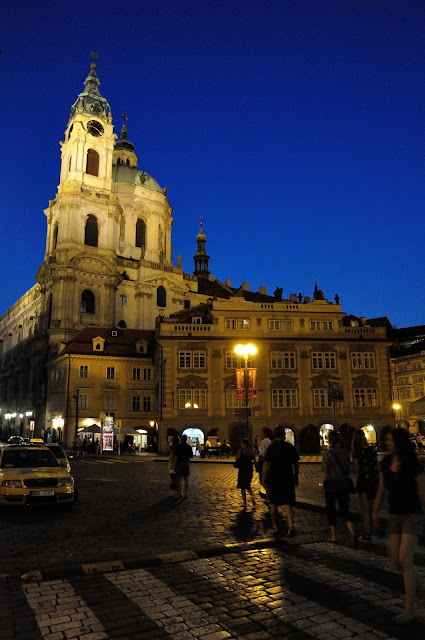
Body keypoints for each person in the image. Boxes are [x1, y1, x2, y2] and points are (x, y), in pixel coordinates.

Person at [372, 428, 425, 624]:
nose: (387, 443)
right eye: (386, 440)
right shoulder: (386, 462)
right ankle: (421, 588)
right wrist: (375, 511)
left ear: (399, 442)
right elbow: (381, 489)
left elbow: (422, 491)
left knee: (405, 559)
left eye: (390, 440)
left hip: (413, 514)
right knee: (396, 560)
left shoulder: (413, 463)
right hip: (394, 515)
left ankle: (409, 608)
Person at [319, 430, 356, 545]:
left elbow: (324, 471)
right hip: (343, 484)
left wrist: (320, 484)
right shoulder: (345, 453)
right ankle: (352, 532)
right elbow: (350, 469)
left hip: (331, 485)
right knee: (345, 510)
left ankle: (333, 535)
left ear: (329, 441)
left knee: (331, 510)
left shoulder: (327, 454)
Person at [262, 425, 299, 536]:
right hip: (287, 478)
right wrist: (296, 476)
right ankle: (291, 525)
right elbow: (296, 464)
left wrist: (264, 478)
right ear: (284, 435)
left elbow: (265, 464)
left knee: (273, 504)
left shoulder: (271, 447)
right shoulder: (290, 447)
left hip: (274, 478)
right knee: (288, 503)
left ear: (275, 435)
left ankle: (275, 526)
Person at [351, 430, 379, 542]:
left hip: (363, 481)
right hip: (374, 480)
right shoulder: (372, 449)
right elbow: (376, 465)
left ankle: (367, 534)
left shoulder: (357, 451)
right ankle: (376, 529)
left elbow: (356, 469)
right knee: (373, 508)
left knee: (365, 511)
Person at [235, 438, 256, 509]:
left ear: (244, 444)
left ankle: (245, 502)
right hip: (249, 469)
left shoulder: (241, 450)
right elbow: (255, 460)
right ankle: (252, 497)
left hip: (242, 469)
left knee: (242, 487)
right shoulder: (251, 451)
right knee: (248, 485)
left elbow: (237, 458)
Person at [257, 428, 273, 500]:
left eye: (262, 433)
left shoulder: (264, 441)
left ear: (265, 434)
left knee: (263, 481)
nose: (260, 435)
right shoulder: (269, 441)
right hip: (269, 463)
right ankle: (268, 496)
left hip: (264, 463)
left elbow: (262, 454)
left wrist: (258, 463)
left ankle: (268, 496)